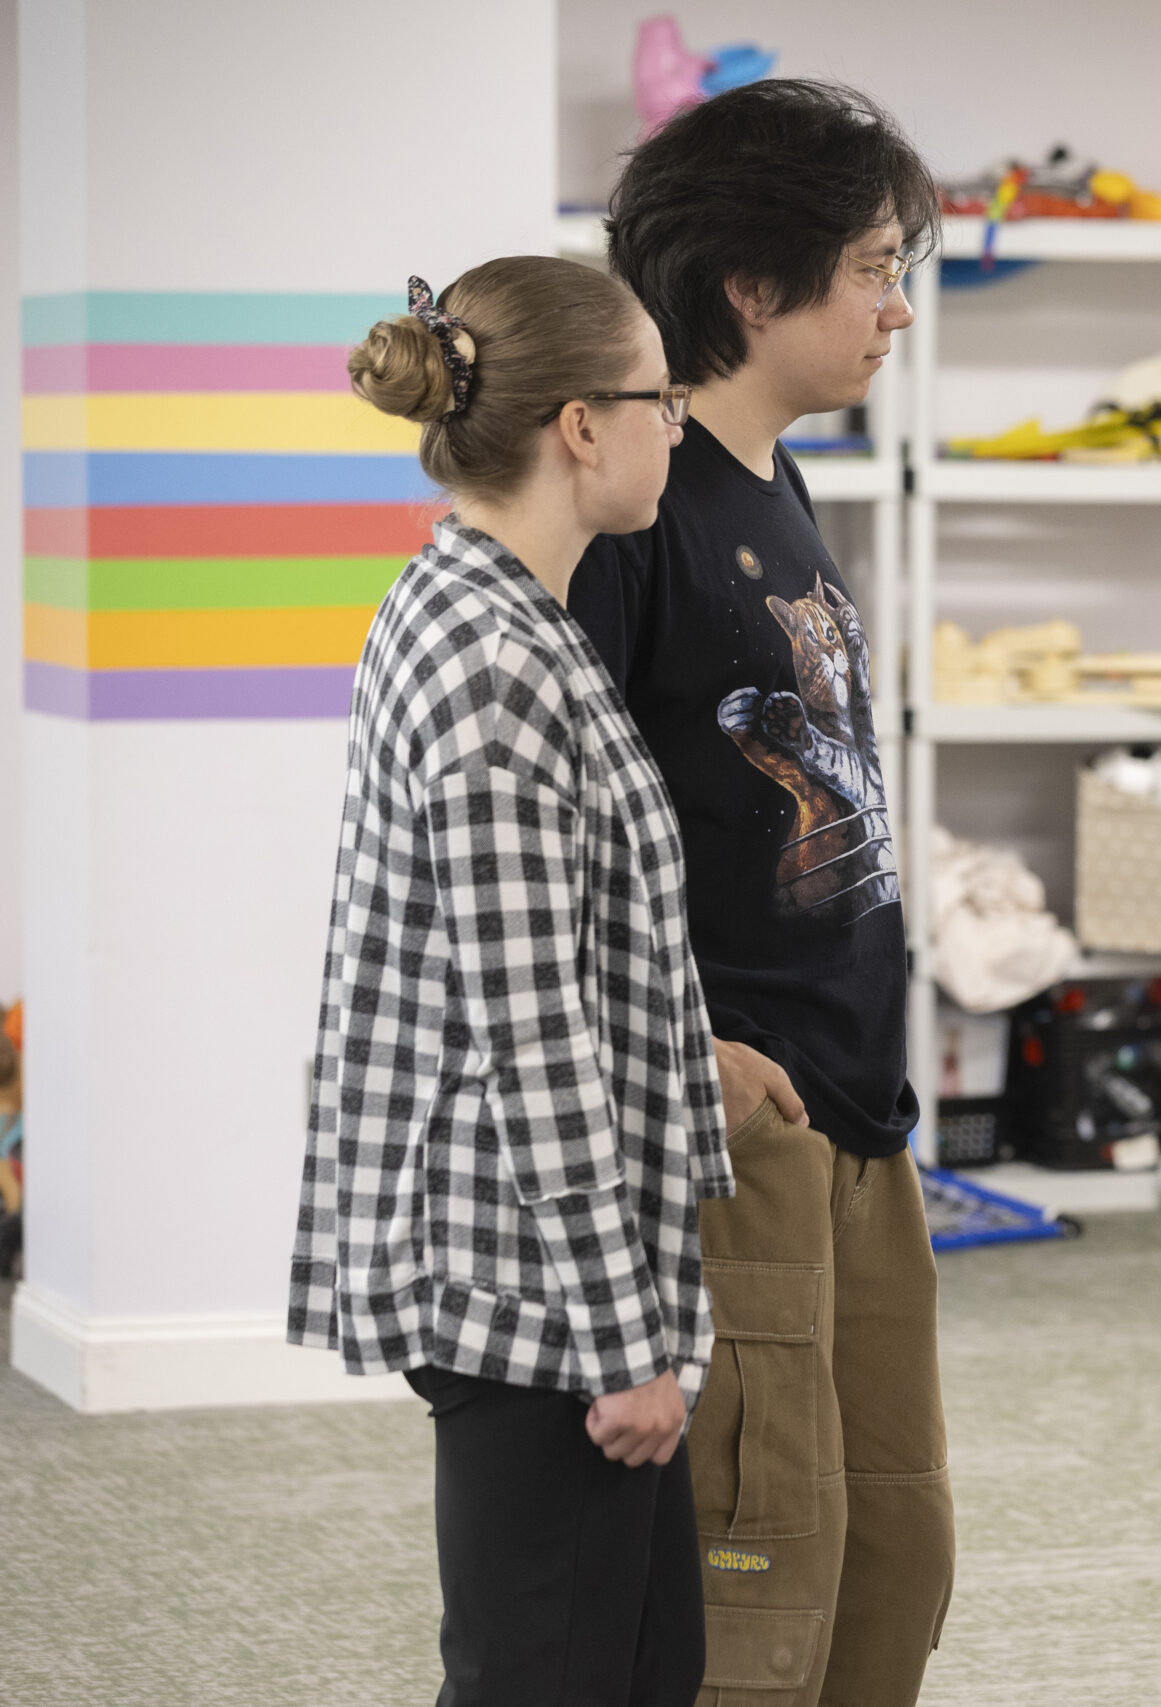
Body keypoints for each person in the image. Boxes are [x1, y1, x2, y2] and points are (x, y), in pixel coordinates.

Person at [566, 79, 954, 1707]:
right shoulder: (633, 515)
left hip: (858, 1112)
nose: (895, 304)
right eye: (870, 265)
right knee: (763, 1594)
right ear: (751, 284)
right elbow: (558, 837)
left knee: (894, 1559)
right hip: (739, 1128)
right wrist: (688, 1055)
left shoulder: (775, 486)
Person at [291, 258, 724, 1706]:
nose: (681, 422)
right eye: (662, 394)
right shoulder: (493, 664)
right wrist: (625, 1343)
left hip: (542, 1271)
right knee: (548, 1677)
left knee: (639, 1666)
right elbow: (532, 1032)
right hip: (532, 1291)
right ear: (582, 427)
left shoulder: (497, 607)